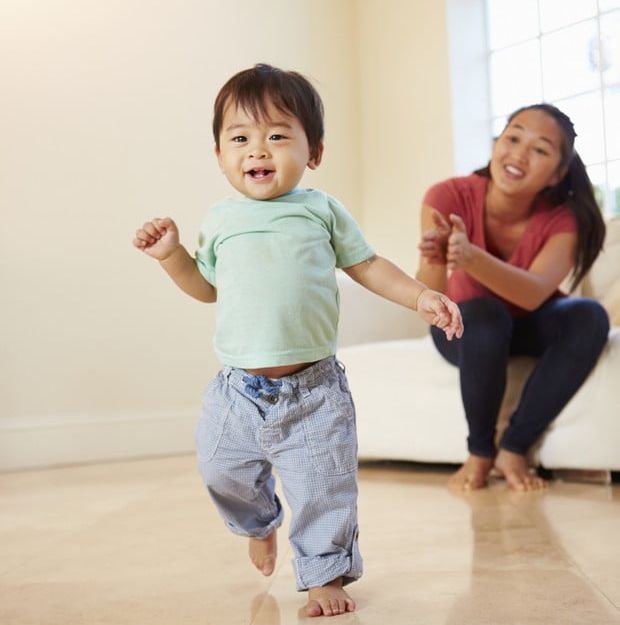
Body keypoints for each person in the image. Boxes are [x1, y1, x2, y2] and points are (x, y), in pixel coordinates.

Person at [133, 64, 463, 617]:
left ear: (314, 152)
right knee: (220, 468)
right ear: (219, 155)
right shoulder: (220, 221)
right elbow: (206, 288)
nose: (257, 150)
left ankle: (323, 575)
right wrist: (172, 255)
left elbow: (368, 266)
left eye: (278, 136)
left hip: (314, 391)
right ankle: (258, 523)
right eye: (240, 138)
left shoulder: (320, 210)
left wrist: (421, 297)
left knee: (324, 488)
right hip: (237, 391)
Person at [417, 103, 609, 492]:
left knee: (589, 315)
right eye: (513, 137)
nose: (519, 153)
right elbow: (431, 295)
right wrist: (436, 256)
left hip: (528, 322)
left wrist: (472, 257)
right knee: (486, 317)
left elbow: (536, 291)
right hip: (465, 328)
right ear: (497, 143)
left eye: (540, 149)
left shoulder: (563, 219)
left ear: (557, 173)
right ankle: (481, 451)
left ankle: (515, 447)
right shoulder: (447, 195)